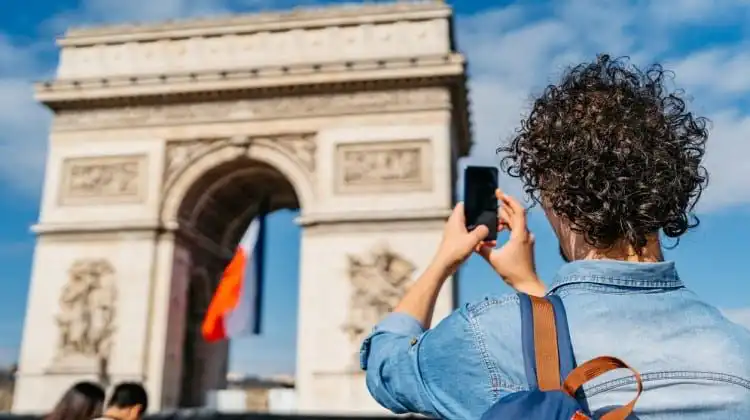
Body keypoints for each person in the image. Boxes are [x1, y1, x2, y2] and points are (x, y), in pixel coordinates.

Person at [360, 55, 750, 419]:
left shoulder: (489, 333)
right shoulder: (739, 349)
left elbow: (386, 369)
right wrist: (529, 288)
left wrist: (442, 261)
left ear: (555, 203)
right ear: (670, 190)